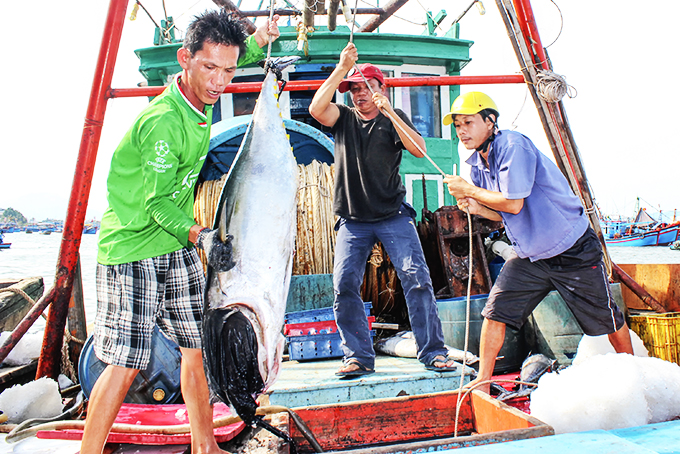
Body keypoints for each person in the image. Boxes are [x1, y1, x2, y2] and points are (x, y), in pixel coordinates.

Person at [80, 10, 279, 454]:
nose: (219, 81)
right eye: (209, 68)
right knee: (125, 363)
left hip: (176, 245)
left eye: (228, 70)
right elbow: (156, 204)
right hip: (133, 247)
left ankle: (205, 447)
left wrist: (259, 40)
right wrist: (201, 235)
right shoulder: (164, 123)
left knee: (195, 348)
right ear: (184, 58)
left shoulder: (202, 95)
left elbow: (233, 53)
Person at [442, 91, 633, 393]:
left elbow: (514, 203)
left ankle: (633, 375)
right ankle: (482, 381)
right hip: (531, 255)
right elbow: (503, 213)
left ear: (490, 122)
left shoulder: (514, 147)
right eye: (457, 126)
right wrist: (478, 208)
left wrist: (471, 191)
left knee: (606, 319)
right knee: (495, 310)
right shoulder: (477, 163)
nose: (462, 131)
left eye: (468, 122)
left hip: (572, 249)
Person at [308, 42, 457, 378]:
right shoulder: (343, 117)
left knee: (417, 280)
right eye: (355, 89)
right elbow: (318, 109)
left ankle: (433, 352)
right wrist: (341, 68)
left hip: (393, 216)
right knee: (345, 285)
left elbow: (419, 150)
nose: (360, 95)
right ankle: (358, 357)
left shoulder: (394, 118)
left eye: (367, 87)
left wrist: (389, 111)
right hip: (353, 221)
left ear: (381, 88)